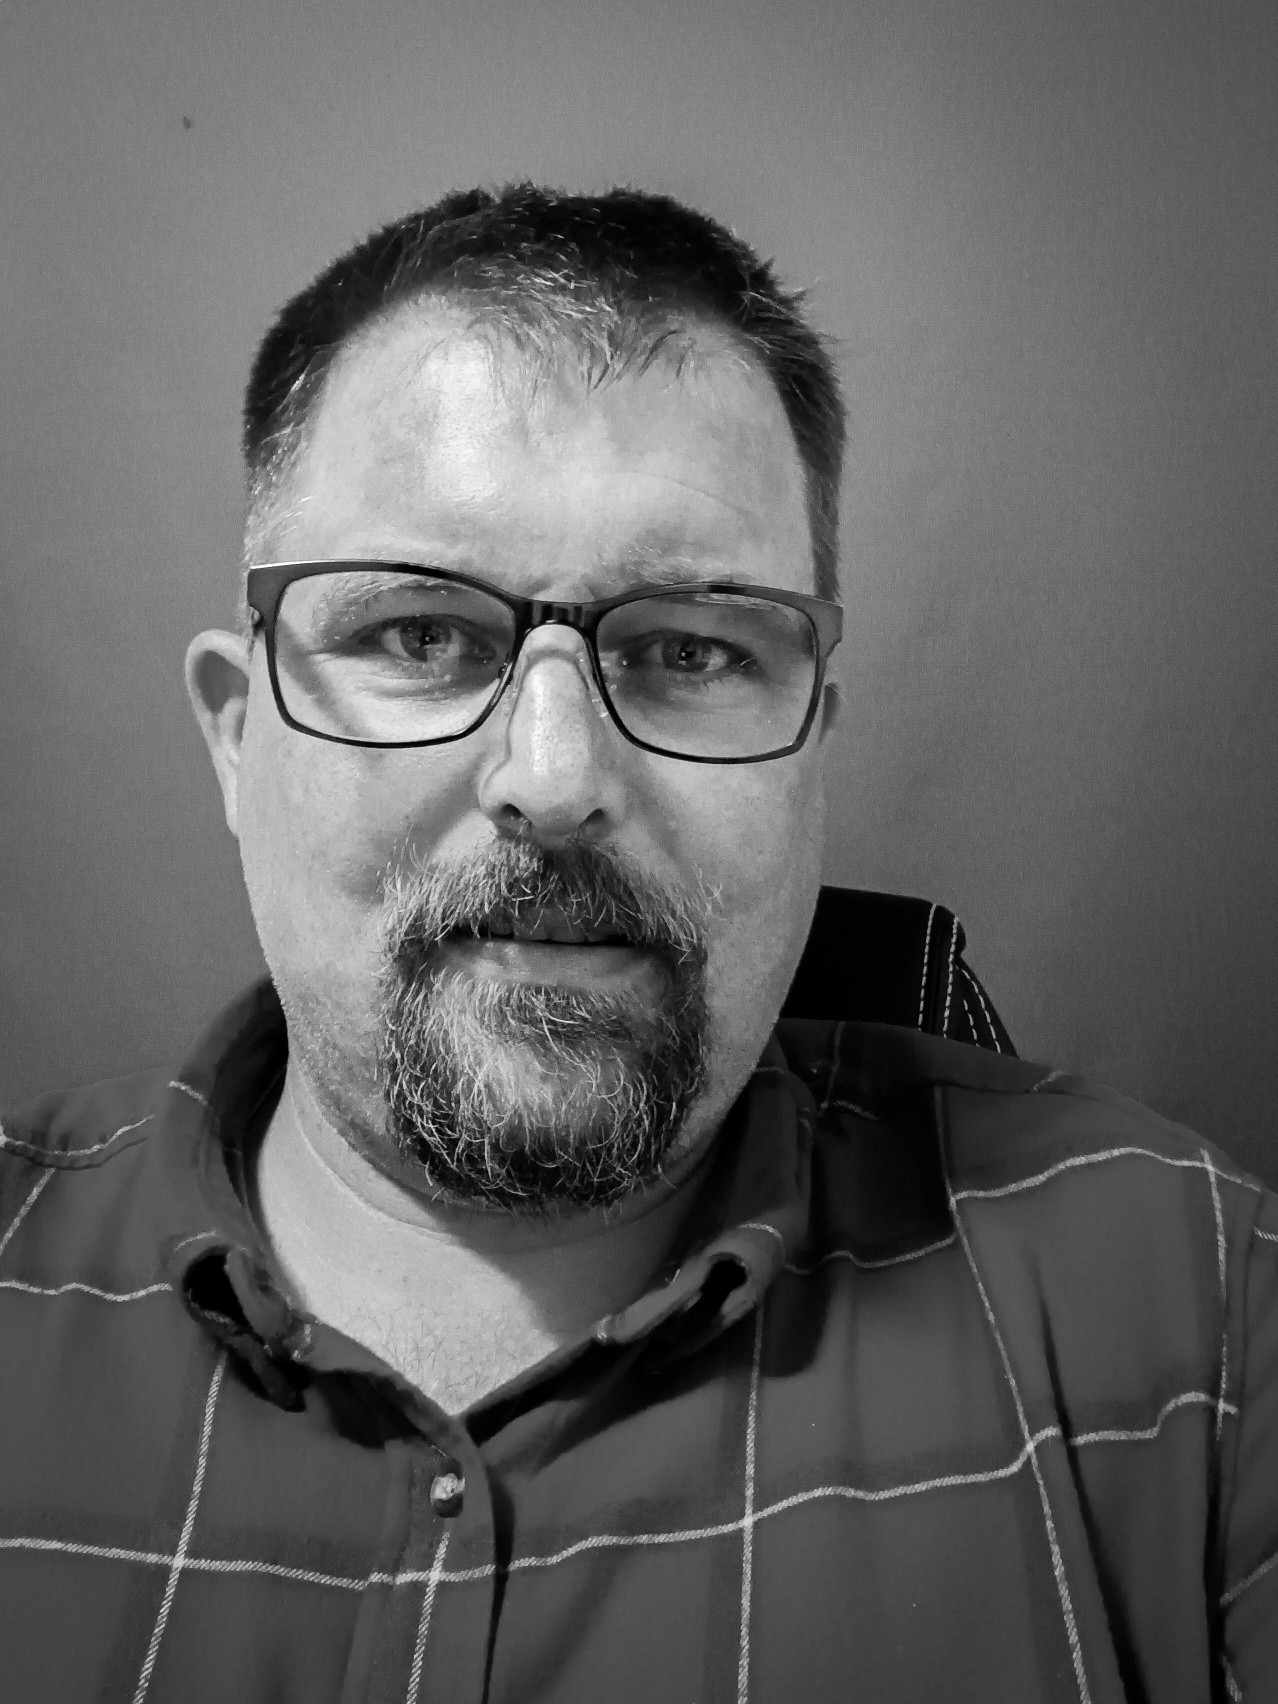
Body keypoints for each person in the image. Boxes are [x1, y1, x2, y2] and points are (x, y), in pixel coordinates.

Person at [0, 184, 1273, 1704]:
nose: (553, 779)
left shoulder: (1200, 1307)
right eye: (420, 635)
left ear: (812, 752)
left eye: (690, 649)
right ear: (236, 737)